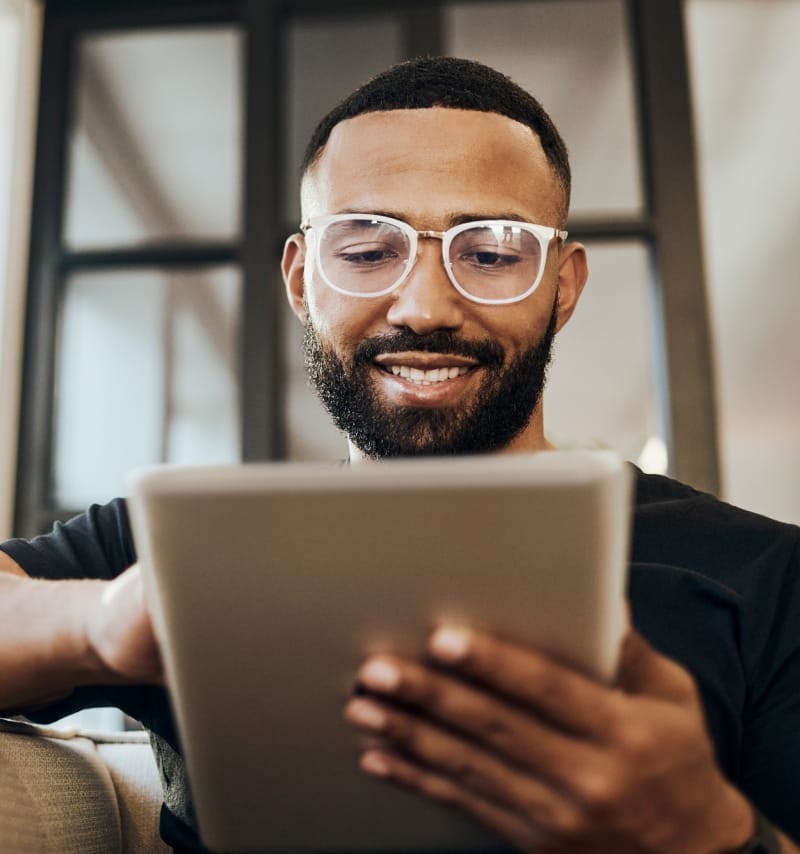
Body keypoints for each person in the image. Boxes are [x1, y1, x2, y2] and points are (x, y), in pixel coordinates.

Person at [1, 56, 799, 853]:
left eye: (491, 253)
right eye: (365, 250)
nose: (423, 308)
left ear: (562, 287)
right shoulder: (179, 551)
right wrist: (102, 625)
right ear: (302, 281)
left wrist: (708, 832)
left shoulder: (768, 577)